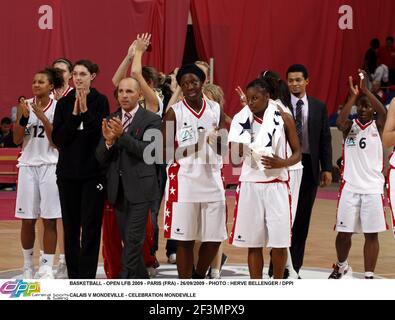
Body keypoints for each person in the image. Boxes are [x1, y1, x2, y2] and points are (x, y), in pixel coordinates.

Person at [229, 78, 301, 279]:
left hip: (276, 184)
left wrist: (283, 163)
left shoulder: (284, 118)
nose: (251, 102)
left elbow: (297, 153)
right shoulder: (240, 118)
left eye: (255, 98)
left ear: (267, 96)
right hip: (250, 184)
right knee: (254, 243)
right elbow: (234, 156)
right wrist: (238, 149)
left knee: (279, 243)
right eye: (249, 98)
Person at [162, 63, 228, 279]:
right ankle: (186, 285)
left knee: (214, 237)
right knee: (186, 239)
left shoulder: (215, 109)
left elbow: (223, 146)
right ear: (180, 86)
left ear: (203, 83)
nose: (190, 86)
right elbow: (164, 152)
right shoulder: (174, 112)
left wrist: (219, 142)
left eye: (194, 82)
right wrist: (197, 144)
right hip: (185, 181)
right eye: (185, 83)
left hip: (212, 178)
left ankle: (199, 275)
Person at [96, 77, 161, 278]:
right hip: (118, 191)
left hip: (142, 190)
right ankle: (140, 279)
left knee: (133, 240)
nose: (124, 95)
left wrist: (121, 137)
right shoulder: (110, 119)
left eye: (129, 91)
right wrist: (107, 142)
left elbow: (150, 153)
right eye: (121, 91)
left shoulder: (152, 120)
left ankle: (124, 284)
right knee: (129, 240)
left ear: (140, 95)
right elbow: (100, 156)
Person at [52, 59, 109, 279]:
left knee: (91, 226)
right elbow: (59, 139)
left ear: (93, 76)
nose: (77, 78)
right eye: (74, 74)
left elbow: (99, 135)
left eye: (82, 74)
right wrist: (75, 116)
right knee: (71, 225)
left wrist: (85, 111)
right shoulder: (64, 103)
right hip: (67, 173)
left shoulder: (100, 101)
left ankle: (87, 276)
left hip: (93, 173)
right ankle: (74, 275)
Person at [329, 70, 387, 279]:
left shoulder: (378, 126)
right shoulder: (349, 127)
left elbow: (384, 114)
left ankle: (369, 275)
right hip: (350, 187)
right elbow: (339, 122)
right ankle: (342, 266)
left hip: (372, 188)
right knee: (343, 233)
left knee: (372, 235)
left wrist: (367, 92)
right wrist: (354, 96)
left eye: (367, 105)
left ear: (372, 107)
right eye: (360, 105)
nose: (363, 109)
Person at [13, 67, 64, 279]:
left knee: (50, 219)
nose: (36, 85)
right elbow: (16, 140)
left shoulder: (59, 107)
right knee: (27, 219)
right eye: (34, 81)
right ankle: (27, 265)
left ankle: (46, 266)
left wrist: (43, 117)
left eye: (41, 82)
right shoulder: (25, 106)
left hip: (50, 165)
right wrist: (23, 118)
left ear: (51, 86)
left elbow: (57, 141)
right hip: (27, 166)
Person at [286, 64, 332, 277]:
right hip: (285, 167)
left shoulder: (318, 106)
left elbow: (325, 138)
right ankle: (278, 266)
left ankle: (294, 267)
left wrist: (327, 167)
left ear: (307, 81)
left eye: (298, 80)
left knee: (302, 220)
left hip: (309, 167)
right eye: (291, 80)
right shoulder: (279, 106)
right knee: (284, 219)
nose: (294, 84)